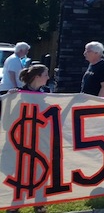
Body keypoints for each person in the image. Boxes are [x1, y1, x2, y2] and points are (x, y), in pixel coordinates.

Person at [6, 62, 50, 213]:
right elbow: (8, 121)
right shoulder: (18, 93)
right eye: (46, 75)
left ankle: (39, 205)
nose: (48, 77)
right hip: (21, 142)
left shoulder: (47, 92)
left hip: (41, 141)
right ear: (37, 77)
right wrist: (10, 99)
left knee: (41, 173)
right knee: (21, 174)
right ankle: (16, 205)